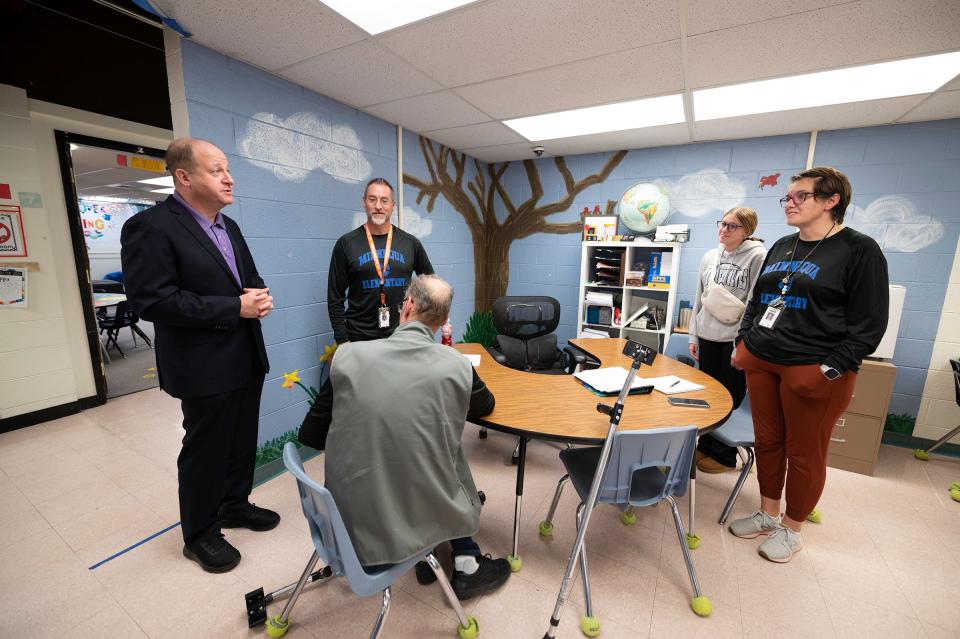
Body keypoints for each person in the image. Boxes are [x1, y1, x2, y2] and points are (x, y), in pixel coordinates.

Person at [121, 138, 279, 573]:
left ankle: (234, 505)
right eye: (216, 170)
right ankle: (200, 534)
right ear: (184, 177)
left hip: (246, 355)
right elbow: (152, 301)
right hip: (202, 365)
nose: (228, 178)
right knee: (205, 449)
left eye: (228, 169)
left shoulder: (229, 227)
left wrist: (259, 295)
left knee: (241, 440)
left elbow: (247, 276)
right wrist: (235, 307)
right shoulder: (151, 227)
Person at [729, 167, 888, 563]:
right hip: (764, 360)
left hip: (812, 367)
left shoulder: (859, 250)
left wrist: (832, 369)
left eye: (800, 196)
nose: (790, 203)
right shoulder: (782, 245)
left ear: (832, 201)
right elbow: (758, 300)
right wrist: (744, 340)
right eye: (787, 197)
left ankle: (792, 528)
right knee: (768, 443)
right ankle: (768, 512)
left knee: (804, 454)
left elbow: (870, 324)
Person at [319, 274, 511, 600]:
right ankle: (465, 564)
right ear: (444, 319)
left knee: (406, 456)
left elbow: (313, 431)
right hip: (407, 503)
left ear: (406, 306)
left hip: (350, 520)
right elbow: (486, 405)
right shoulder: (456, 365)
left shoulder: (349, 356)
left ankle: (427, 554)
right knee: (438, 462)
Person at [688, 207, 766, 473]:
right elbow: (699, 297)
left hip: (734, 340)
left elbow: (755, 302)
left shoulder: (758, 257)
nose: (724, 230)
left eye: (732, 226)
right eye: (722, 224)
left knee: (730, 396)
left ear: (747, 230)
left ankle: (724, 456)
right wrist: (693, 335)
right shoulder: (710, 256)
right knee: (710, 396)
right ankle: (706, 446)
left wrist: (741, 345)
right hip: (707, 336)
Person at [327, 177, 434, 344]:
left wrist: (422, 327)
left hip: (402, 337)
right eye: (372, 199)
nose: (378, 206)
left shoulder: (410, 243)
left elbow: (431, 286)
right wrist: (342, 340)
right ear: (364, 203)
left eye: (384, 200)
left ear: (393, 206)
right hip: (359, 339)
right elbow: (335, 297)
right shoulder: (346, 244)